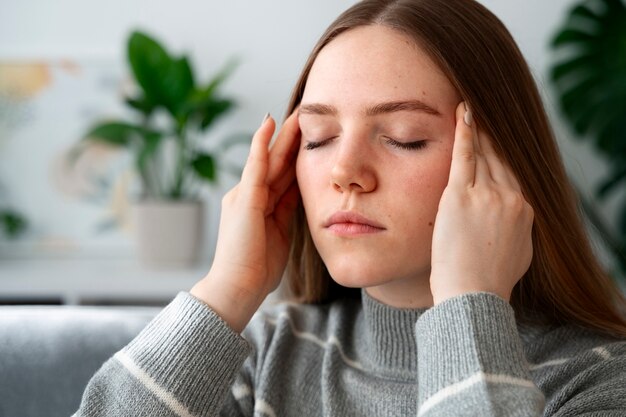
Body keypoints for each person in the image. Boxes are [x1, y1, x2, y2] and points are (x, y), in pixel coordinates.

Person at [75, 0, 626, 415]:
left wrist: (470, 308)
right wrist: (229, 287)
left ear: (502, 166)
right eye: (317, 138)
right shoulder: (264, 359)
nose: (343, 172)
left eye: (405, 137)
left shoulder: (598, 381)